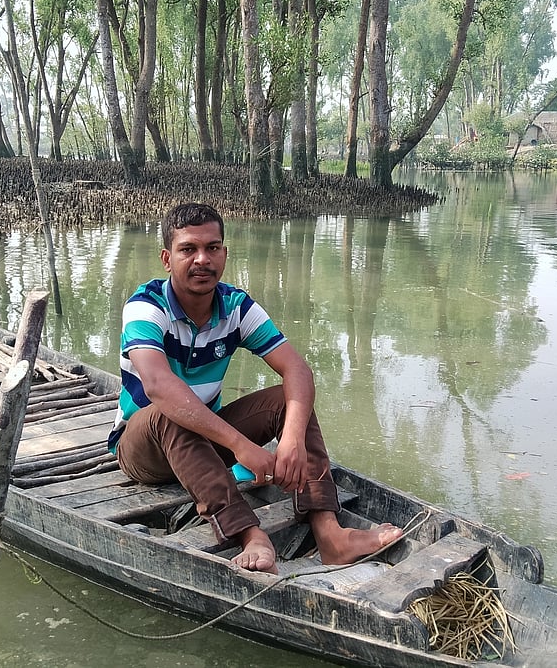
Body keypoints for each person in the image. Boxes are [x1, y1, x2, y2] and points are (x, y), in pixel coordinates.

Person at [108, 203, 404, 574]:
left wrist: (292, 437)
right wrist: (240, 445)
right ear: (167, 259)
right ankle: (249, 534)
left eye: (212, 248)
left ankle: (330, 533)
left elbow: (295, 368)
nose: (202, 259)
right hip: (144, 449)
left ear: (224, 254)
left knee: (288, 399)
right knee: (168, 412)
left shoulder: (234, 306)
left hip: (204, 445)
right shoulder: (146, 307)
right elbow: (159, 386)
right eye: (188, 249)